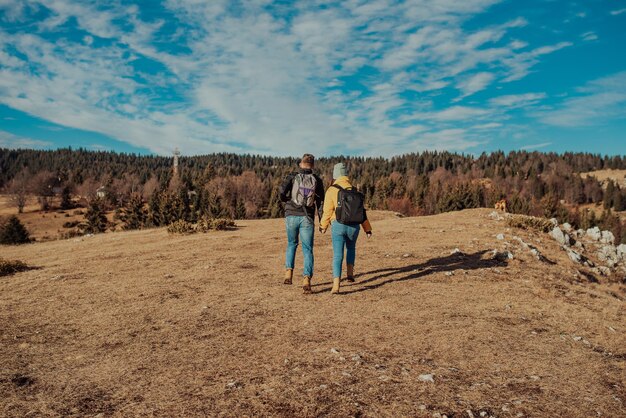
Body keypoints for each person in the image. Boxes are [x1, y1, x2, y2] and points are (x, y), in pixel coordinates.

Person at [320, 162, 372, 294]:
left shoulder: (332, 190)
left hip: (338, 225)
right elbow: (362, 212)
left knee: (337, 255)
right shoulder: (355, 190)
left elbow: (327, 211)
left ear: (335, 175)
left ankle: (336, 285)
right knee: (351, 248)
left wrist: (323, 226)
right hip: (354, 227)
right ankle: (350, 273)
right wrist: (367, 229)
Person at [279, 154, 325, 294]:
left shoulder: (293, 176)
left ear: (301, 164)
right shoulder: (316, 180)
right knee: (307, 249)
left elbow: (281, 191)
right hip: (307, 217)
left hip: (291, 215)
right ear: (313, 165)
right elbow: (320, 202)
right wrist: (322, 221)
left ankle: (288, 273)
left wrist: (287, 201)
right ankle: (306, 279)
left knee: (292, 243)